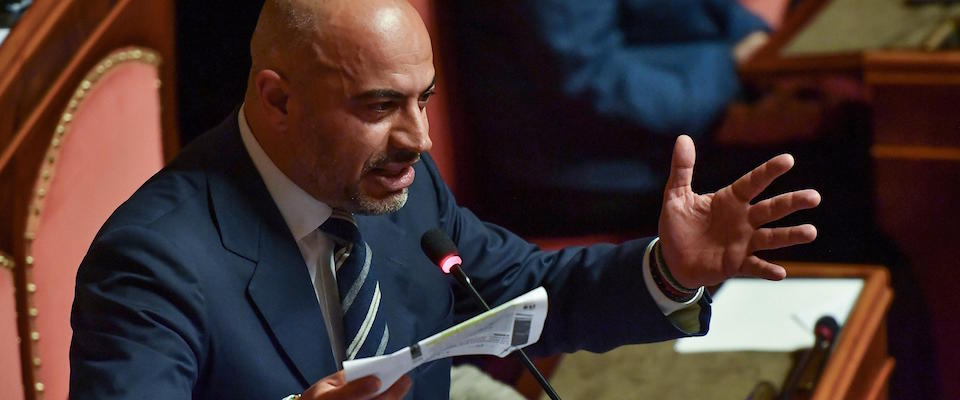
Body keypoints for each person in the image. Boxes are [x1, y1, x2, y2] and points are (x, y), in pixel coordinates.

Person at [68, 0, 820, 399]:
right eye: (379, 105)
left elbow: (530, 291)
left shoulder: (397, 183)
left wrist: (671, 270)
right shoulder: (154, 264)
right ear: (277, 100)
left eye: (425, 100)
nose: (420, 139)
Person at [442, 0, 783, 234]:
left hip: (657, 119)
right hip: (583, 168)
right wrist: (732, 77)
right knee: (803, 170)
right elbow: (588, 79)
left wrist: (757, 42)